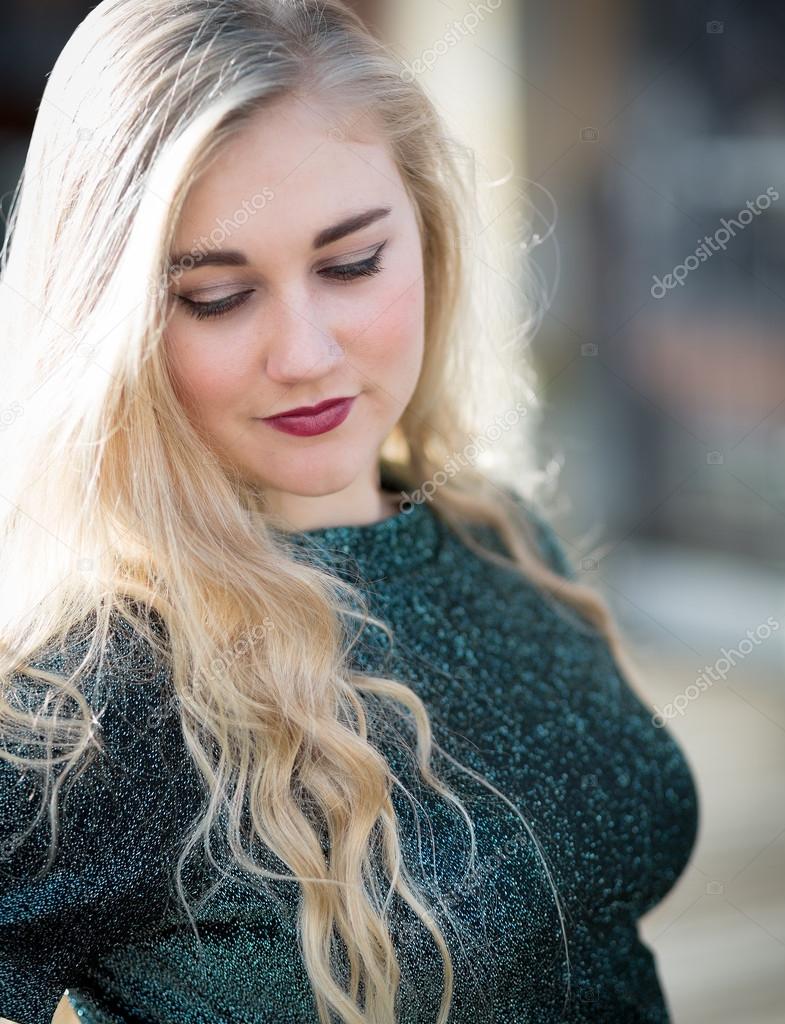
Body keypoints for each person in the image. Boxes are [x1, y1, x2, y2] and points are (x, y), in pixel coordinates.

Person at [0, 1, 699, 1022]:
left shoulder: (496, 536)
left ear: (428, 232)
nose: (307, 353)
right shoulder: (93, 698)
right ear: (114, 322)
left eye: (351, 262)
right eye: (216, 295)